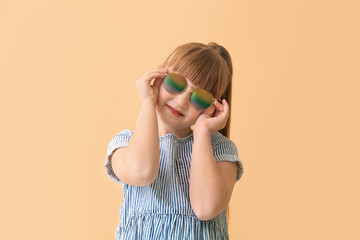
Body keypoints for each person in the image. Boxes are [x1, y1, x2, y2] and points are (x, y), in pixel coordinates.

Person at [105, 42, 244, 239]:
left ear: (213, 106)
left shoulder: (220, 150)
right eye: (176, 83)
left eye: (200, 98)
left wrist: (203, 132)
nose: (181, 101)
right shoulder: (126, 144)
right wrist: (148, 101)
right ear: (159, 77)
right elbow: (141, 171)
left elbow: (205, 207)